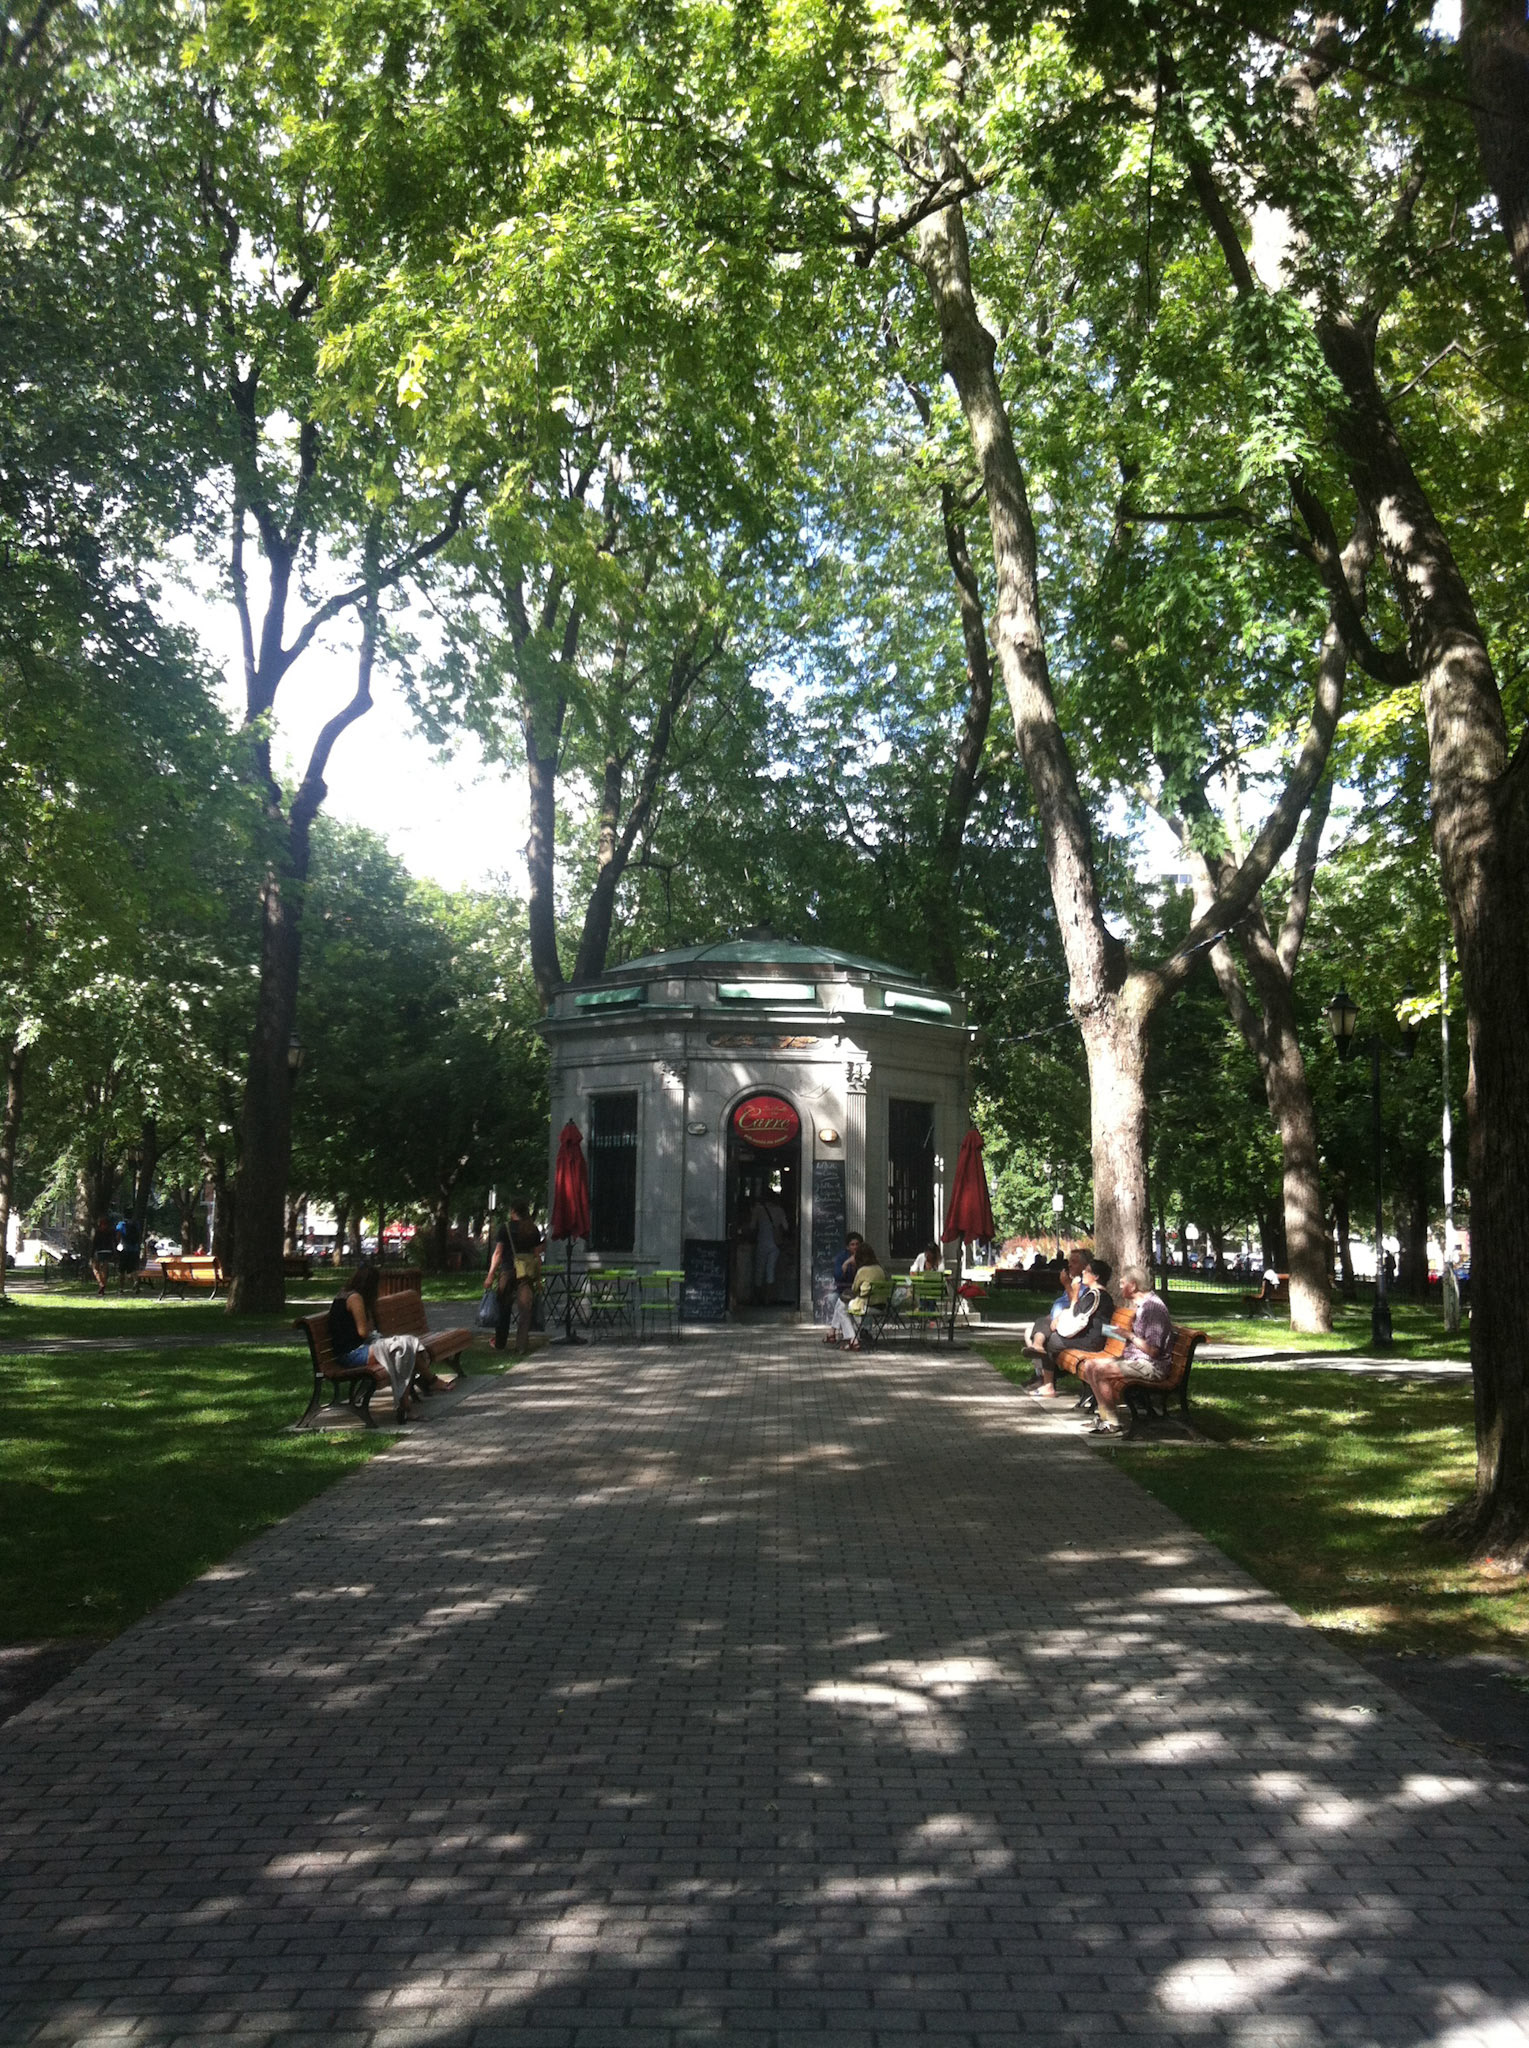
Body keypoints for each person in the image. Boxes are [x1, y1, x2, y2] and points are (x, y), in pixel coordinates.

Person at [327, 1263, 437, 1423]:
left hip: (353, 1350)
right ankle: (415, 1397)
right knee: (403, 1349)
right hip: (351, 1354)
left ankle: (409, 1404)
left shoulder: (344, 1294)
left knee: (405, 1347)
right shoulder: (355, 1298)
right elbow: (363, 1332)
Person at [1079, 1267, 1174, 1435]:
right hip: (1137, 1360)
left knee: (1100, 1371)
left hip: (1152, 1366)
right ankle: (1104, 1417)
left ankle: (1113, 1423)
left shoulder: (1153, 1309)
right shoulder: (1144, 1306)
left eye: (1122, 1283)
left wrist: (1127, 1335)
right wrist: (1120, 1333)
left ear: (1133, 1286)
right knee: (1090, 1366)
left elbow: (1153, 1351)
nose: (1120, 1286)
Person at [1031, 1256, 1113, 1399]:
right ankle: (1038, 1349)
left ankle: (1048, 1385)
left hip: (1092, 1341)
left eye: (1087, 1271)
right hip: (1086, 1335)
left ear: (1096, 1276)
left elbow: (1075, 1313)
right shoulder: (1092, 1294)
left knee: (1052, 1341)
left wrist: (1074, 1291)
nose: (1083, 1273)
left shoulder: (1097, 1295)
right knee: (1044, 1323)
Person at [488, 1200, 543, 1355]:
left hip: (507, 1271)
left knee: (503, 1307)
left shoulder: (505, 1229)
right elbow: (537, 1255)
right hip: (526, 1273)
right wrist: (539, 1279)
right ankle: (521, 1346)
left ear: (513, 1211)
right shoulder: (532, 1230)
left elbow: (498, 1253)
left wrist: (491, 1275)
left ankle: (500, 1342)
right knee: (525, 1310)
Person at [1022, 1248, 1085, 1370]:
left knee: (1042, 1329)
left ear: (1084, 1265)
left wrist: (1066, 1285)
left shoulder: (1082, 1285)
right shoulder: (1074, 1281)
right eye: (1069, 1262)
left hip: (1067, 1326)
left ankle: (1038, 1348)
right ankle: (1040, 1373)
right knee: (1030, 1330)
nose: (1069, 1265)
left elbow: (1076, 1306)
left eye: (1074, 1262)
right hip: (1056, 1321)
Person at [825, 1243, 887, 1349]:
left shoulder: (863, 1271)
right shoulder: (880, 1269)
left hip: (867, 1306)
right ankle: (833, 1332)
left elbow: (854, 1289)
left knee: (841, 1306)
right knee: (841, 1304)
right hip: (881, 1306)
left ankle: (852, 1339)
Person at [750, 1189, 790, 1296]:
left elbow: (752, 1226)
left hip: (761, 1242)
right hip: (775, 1244)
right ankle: (768, 1299)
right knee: (770, 1271)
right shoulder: (779, 1210)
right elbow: (786, 1227)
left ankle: (757, 1298)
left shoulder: (758, 1210)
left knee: (759, 1270)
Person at [89, 1216, 115, 1295]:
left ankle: (101, 1283)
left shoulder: (97, 1232)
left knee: (95, 1268)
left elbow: (94, 1244)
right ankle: (103, 1285)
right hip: (108, 1251)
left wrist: (91, 1254)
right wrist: (114, 1252)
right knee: (105, 1269)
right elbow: (113, 1242)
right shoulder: (110, 1232)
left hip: (100, 1251)